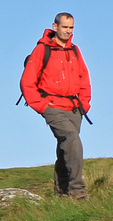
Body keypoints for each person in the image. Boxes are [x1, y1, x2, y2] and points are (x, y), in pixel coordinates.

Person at [19, 12, 93, 199]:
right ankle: (78, 191)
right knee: (72, 140)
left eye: (71, 28)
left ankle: (61, 194)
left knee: (65, 148)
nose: (68, 31)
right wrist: (42, 106)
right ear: (55, 27)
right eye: (65, 27)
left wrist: (84, 104)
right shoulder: (42, 50)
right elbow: (27, 81)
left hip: (74, 108)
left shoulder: (75, 51)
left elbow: (84, 79)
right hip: (51, 106)